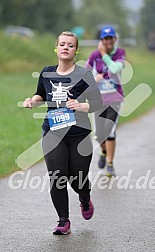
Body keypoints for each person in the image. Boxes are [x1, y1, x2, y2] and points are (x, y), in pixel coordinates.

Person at [23, 31, 102, 235]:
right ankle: (63, 221)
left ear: (76, 50)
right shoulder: (47, 73)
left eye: (70, 45)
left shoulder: (83, 75)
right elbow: (41, 93)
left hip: (79, 133)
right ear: (56, 48)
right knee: (57, 176)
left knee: (78, 179)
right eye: (62, 44)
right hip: (53, 132)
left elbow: (97, 102)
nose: (66, 47)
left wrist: (81, 105)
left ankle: (84, 198)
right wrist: (32, 101)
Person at [86, 26, 125, 177]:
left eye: (111, 38)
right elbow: (85, 73)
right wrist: (93, 81)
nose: (108, 41)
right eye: (105, 39)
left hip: (114, 99)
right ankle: (103, 152)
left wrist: (104, 54)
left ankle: (110, 164)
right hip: (98, 99)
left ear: (115, 39)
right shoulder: (94, 55)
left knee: (110, 130)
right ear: (101, 40)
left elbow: (115, 69)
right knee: (98, 134)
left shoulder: (120, 53)